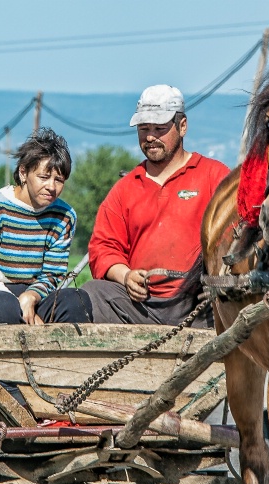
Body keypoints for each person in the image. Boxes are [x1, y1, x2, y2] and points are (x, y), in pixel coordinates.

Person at [81, 84, 230, 327]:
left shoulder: (214, 176)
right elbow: (103, 248)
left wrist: (215, 276)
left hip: (200, 304)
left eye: (159, 129)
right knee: (88, 294)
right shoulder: (125, 188)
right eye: (143, 129)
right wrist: (126, 276)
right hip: (138, 306)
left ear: (182, 127)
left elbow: (237, 235)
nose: (150, 137)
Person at [0, 127, 92, 328]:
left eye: (59, 180)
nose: (52, 187)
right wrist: (18, 306)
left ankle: (59, 358)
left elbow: (53, 274)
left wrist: (31, 296)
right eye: (43, 177)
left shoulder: (64, 216)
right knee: (3, 307)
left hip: (35, 297)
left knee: (76, 300)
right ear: (23, 172)